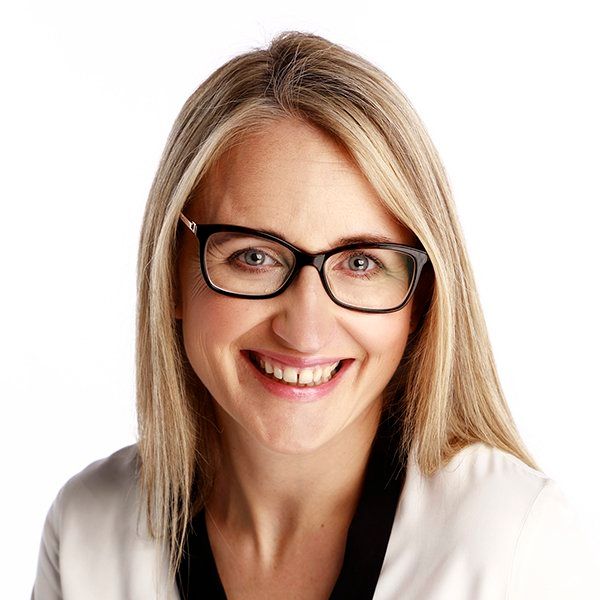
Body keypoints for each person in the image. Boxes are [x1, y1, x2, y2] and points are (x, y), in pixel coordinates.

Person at [32, 31, 597, 599]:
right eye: (254, 257)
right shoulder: (87, 532)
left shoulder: (516, 546)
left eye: (361, 262)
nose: (304, 332)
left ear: (422, 299)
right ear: (171, 275)